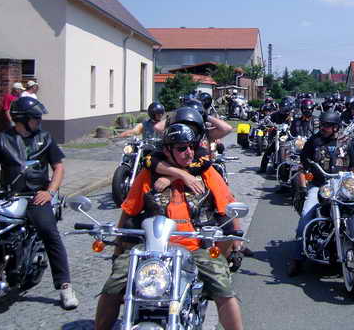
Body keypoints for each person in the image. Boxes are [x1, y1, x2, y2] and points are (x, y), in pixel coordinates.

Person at [94, 122, 243, 330]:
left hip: (196, 247)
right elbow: (129, 211)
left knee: (224, 290)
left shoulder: (205, 173)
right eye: (182, 148)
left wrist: (235, 238)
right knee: (113, 285)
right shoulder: (148, 174)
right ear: (167, 150)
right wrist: (118, 247)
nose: (189, 152)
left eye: (191, 146)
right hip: (151, 249)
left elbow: (228, 204)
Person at [0, 97, 78, 309]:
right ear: (22, 119)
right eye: (36, 118)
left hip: (37, 196)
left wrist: (50, 192)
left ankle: (65, 286)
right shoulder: (2, 139)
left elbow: (58, 167)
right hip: (10, 196)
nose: (39, 121)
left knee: (49, 232)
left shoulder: (45, 138)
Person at [287, 110, 354, 276]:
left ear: (336, 127)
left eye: (327, 125)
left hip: (345, 186)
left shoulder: (347, 141)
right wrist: (305, 187)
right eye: (322, 124)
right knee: (306, 217)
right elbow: (302, 166)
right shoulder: (313, 141)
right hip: (321, 185)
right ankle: (296, 258)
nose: (323, 128)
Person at [258, 97, 294, 173]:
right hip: (278, 136)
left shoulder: (293, 116)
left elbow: (297, 124)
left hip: (289, 137)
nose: (283, 110)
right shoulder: (276, 114)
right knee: (269, 150)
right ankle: (263, 168)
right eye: (282, 108)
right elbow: (268, 118)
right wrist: (265, 121)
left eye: (285, 109)